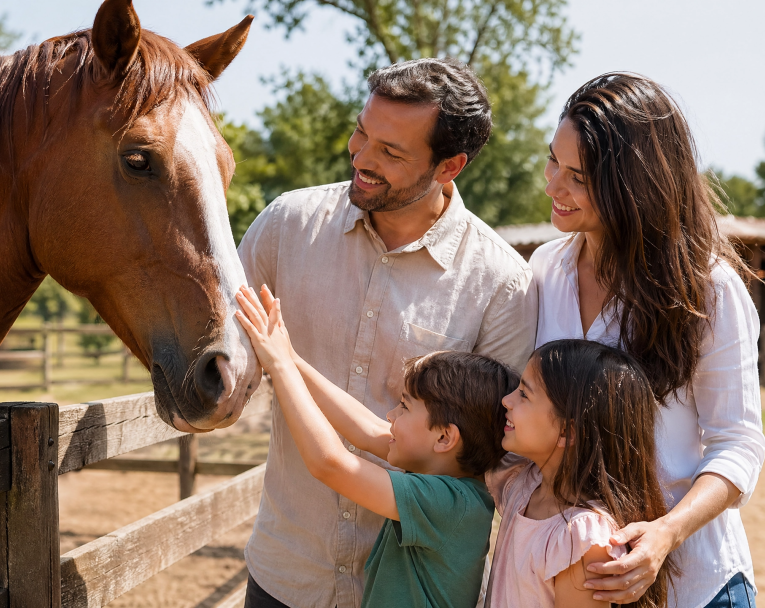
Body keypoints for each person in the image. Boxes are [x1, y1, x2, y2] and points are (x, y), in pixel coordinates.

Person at [237, 57, 536, 608]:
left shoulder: (502, 284)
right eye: (361, 133)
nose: (363, 158)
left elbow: (497, 453)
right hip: (285, 575)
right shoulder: (286, 225)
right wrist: (281, 359)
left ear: (450, 166)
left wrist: (284, 364)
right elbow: (225, 345)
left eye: (391, 152)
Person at [532, 72, 765, 607]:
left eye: (578, 176)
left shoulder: (709, 289)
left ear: (634, 186)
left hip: (696, 586)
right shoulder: (545, 271)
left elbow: (739, 444)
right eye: (553, 161)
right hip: (575, 584)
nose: (552, 185)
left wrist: (665, 533)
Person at [234, 284, 518, 608]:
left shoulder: (450, 504)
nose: (390, 415)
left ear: (444, 438)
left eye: (404, 406)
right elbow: (367, 429)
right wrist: (291, 359)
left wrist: (280, 367)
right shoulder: (448, 477)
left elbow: (330, 464)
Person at [486, 339, 675, 608]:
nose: (507, 400)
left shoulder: (583, 540)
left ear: (567, 431)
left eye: (524, 394)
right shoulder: (524, 486)